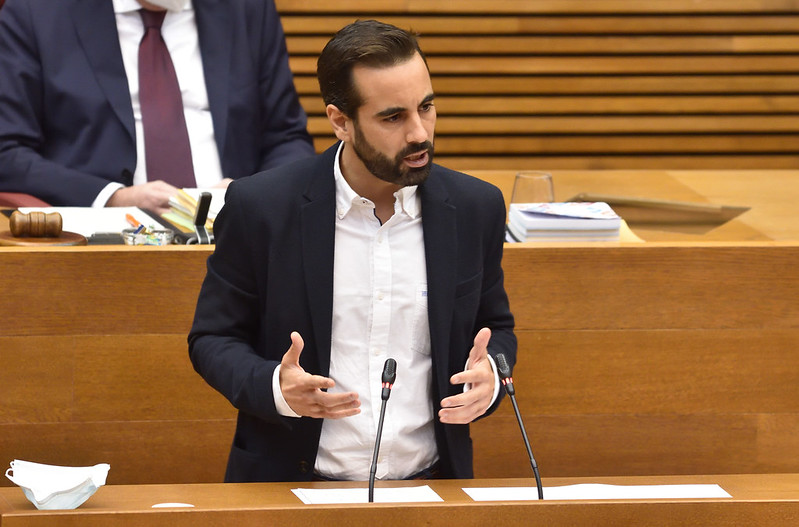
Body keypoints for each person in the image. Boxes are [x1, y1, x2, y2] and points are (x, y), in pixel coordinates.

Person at [188, 19, 517, 483]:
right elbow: (212, 339)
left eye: (426, 107)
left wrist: (491, 378)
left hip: (429, 485)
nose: (420, 133)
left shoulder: (475, 208)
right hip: (291, 485)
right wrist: (276, 388)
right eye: (393, 117)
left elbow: (495, 328)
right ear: (340, 121)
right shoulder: (260, 206)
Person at [0, 0, 314, 213]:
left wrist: (250, 194)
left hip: (237, 237)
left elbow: (287, 139)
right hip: (98, 245)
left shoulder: (246, 9)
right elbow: (8, 153)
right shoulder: (36, 12)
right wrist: (114, 198)